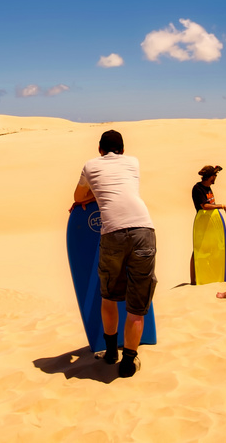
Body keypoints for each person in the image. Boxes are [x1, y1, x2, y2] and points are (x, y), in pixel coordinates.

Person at [72, 130, 156, 378]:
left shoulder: (90, 166)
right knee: (138, 304)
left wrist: (93, 195)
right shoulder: (133, 162)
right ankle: (129, 362)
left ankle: (111, 353)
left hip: (112, 234)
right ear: (122, 148)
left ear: (99, 149)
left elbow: (78, 197)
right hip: (143, 229)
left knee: (109, 296)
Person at [191, 165, 226, 284]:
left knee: (214, 249)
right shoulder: (198, 188)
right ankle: (193, 280)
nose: (216, 178)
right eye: (215, 175)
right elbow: (204, 206)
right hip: (202, 222)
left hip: (211, 223)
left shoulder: (208, 188)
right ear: (210, 177)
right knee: (198, 250)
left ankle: (218, 277)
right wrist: (222, 206)